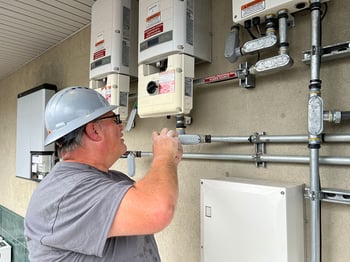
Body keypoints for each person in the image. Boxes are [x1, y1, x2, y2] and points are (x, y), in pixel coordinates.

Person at [24, 86, 183, 261]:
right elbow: (157, 210)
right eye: (115, 119)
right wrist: (163, 156)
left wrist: (169, 162)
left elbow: (148, 204)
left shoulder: (109, 179)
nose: (121, 125)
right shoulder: (66, 192)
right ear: (94, 131)